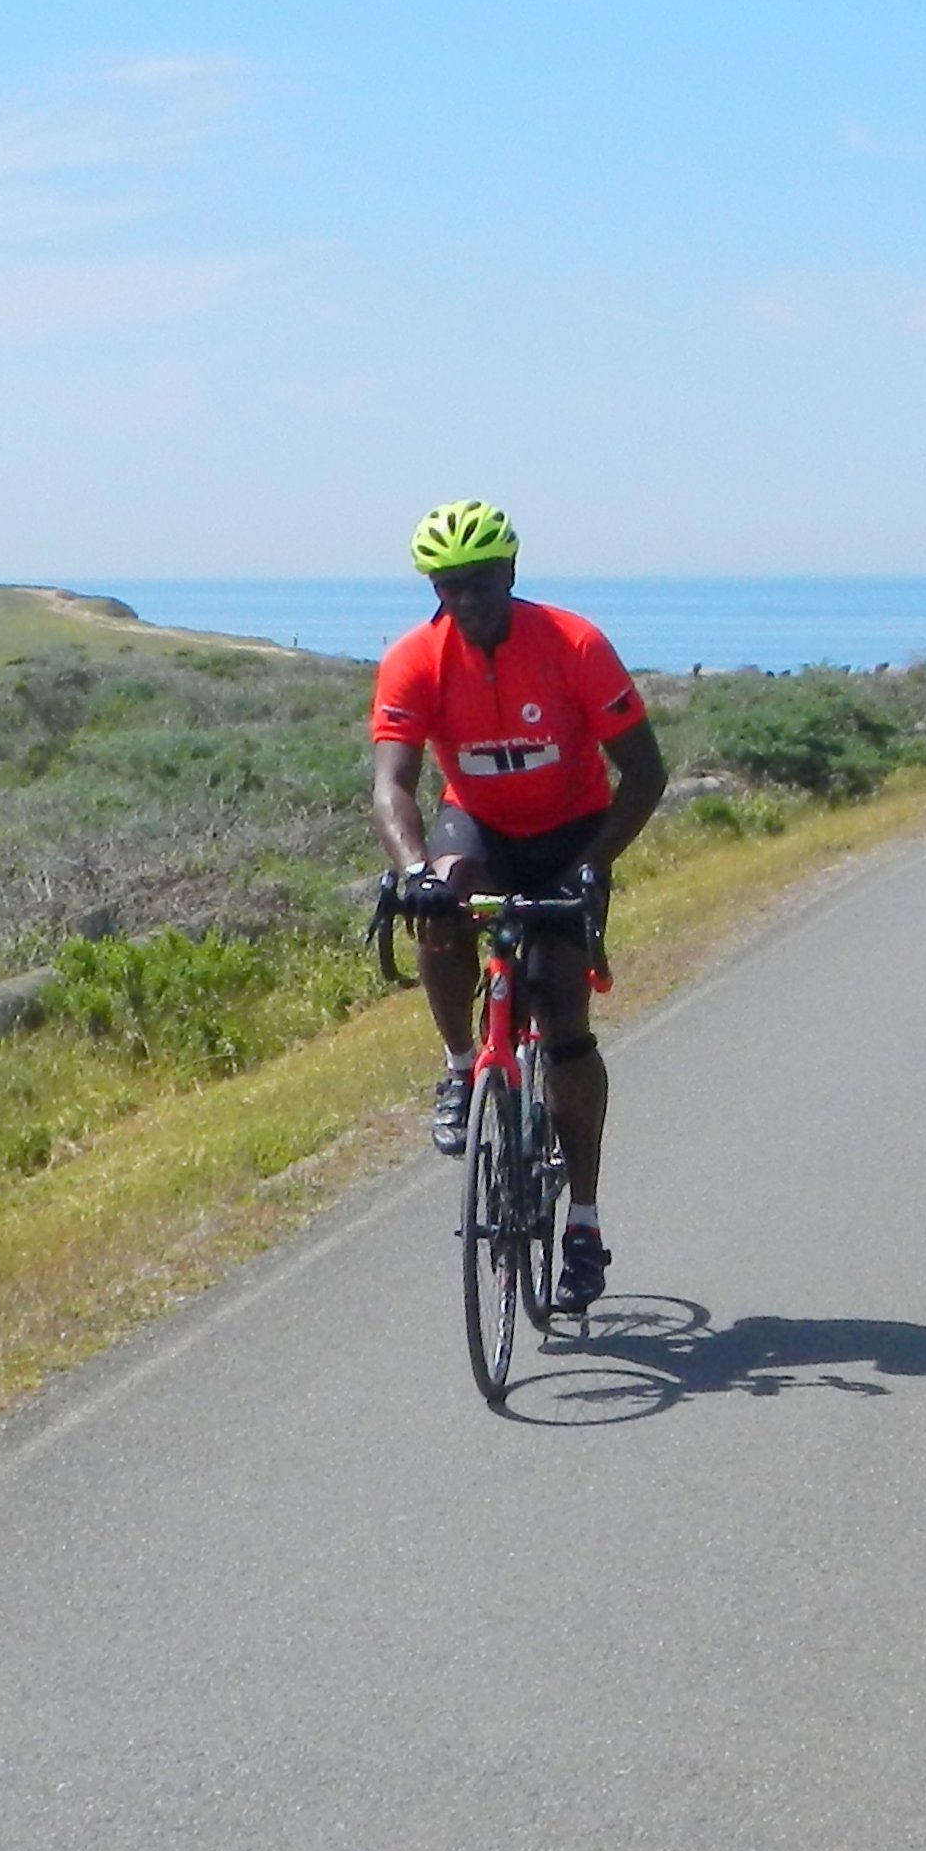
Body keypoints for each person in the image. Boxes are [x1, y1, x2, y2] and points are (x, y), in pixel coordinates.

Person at [370, 498, 668, 1317]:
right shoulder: (415, 659)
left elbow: (645, 773)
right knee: (439, 896)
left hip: (571, 832)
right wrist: (412, 870)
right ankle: (461, 1065)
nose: (466, 598)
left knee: (565, 1022)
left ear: (509, 572)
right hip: (480, 826)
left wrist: (592, 866)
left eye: (479, 580)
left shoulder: (574, 645)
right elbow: (392, 784)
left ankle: (584, 1222)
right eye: (448, 585)